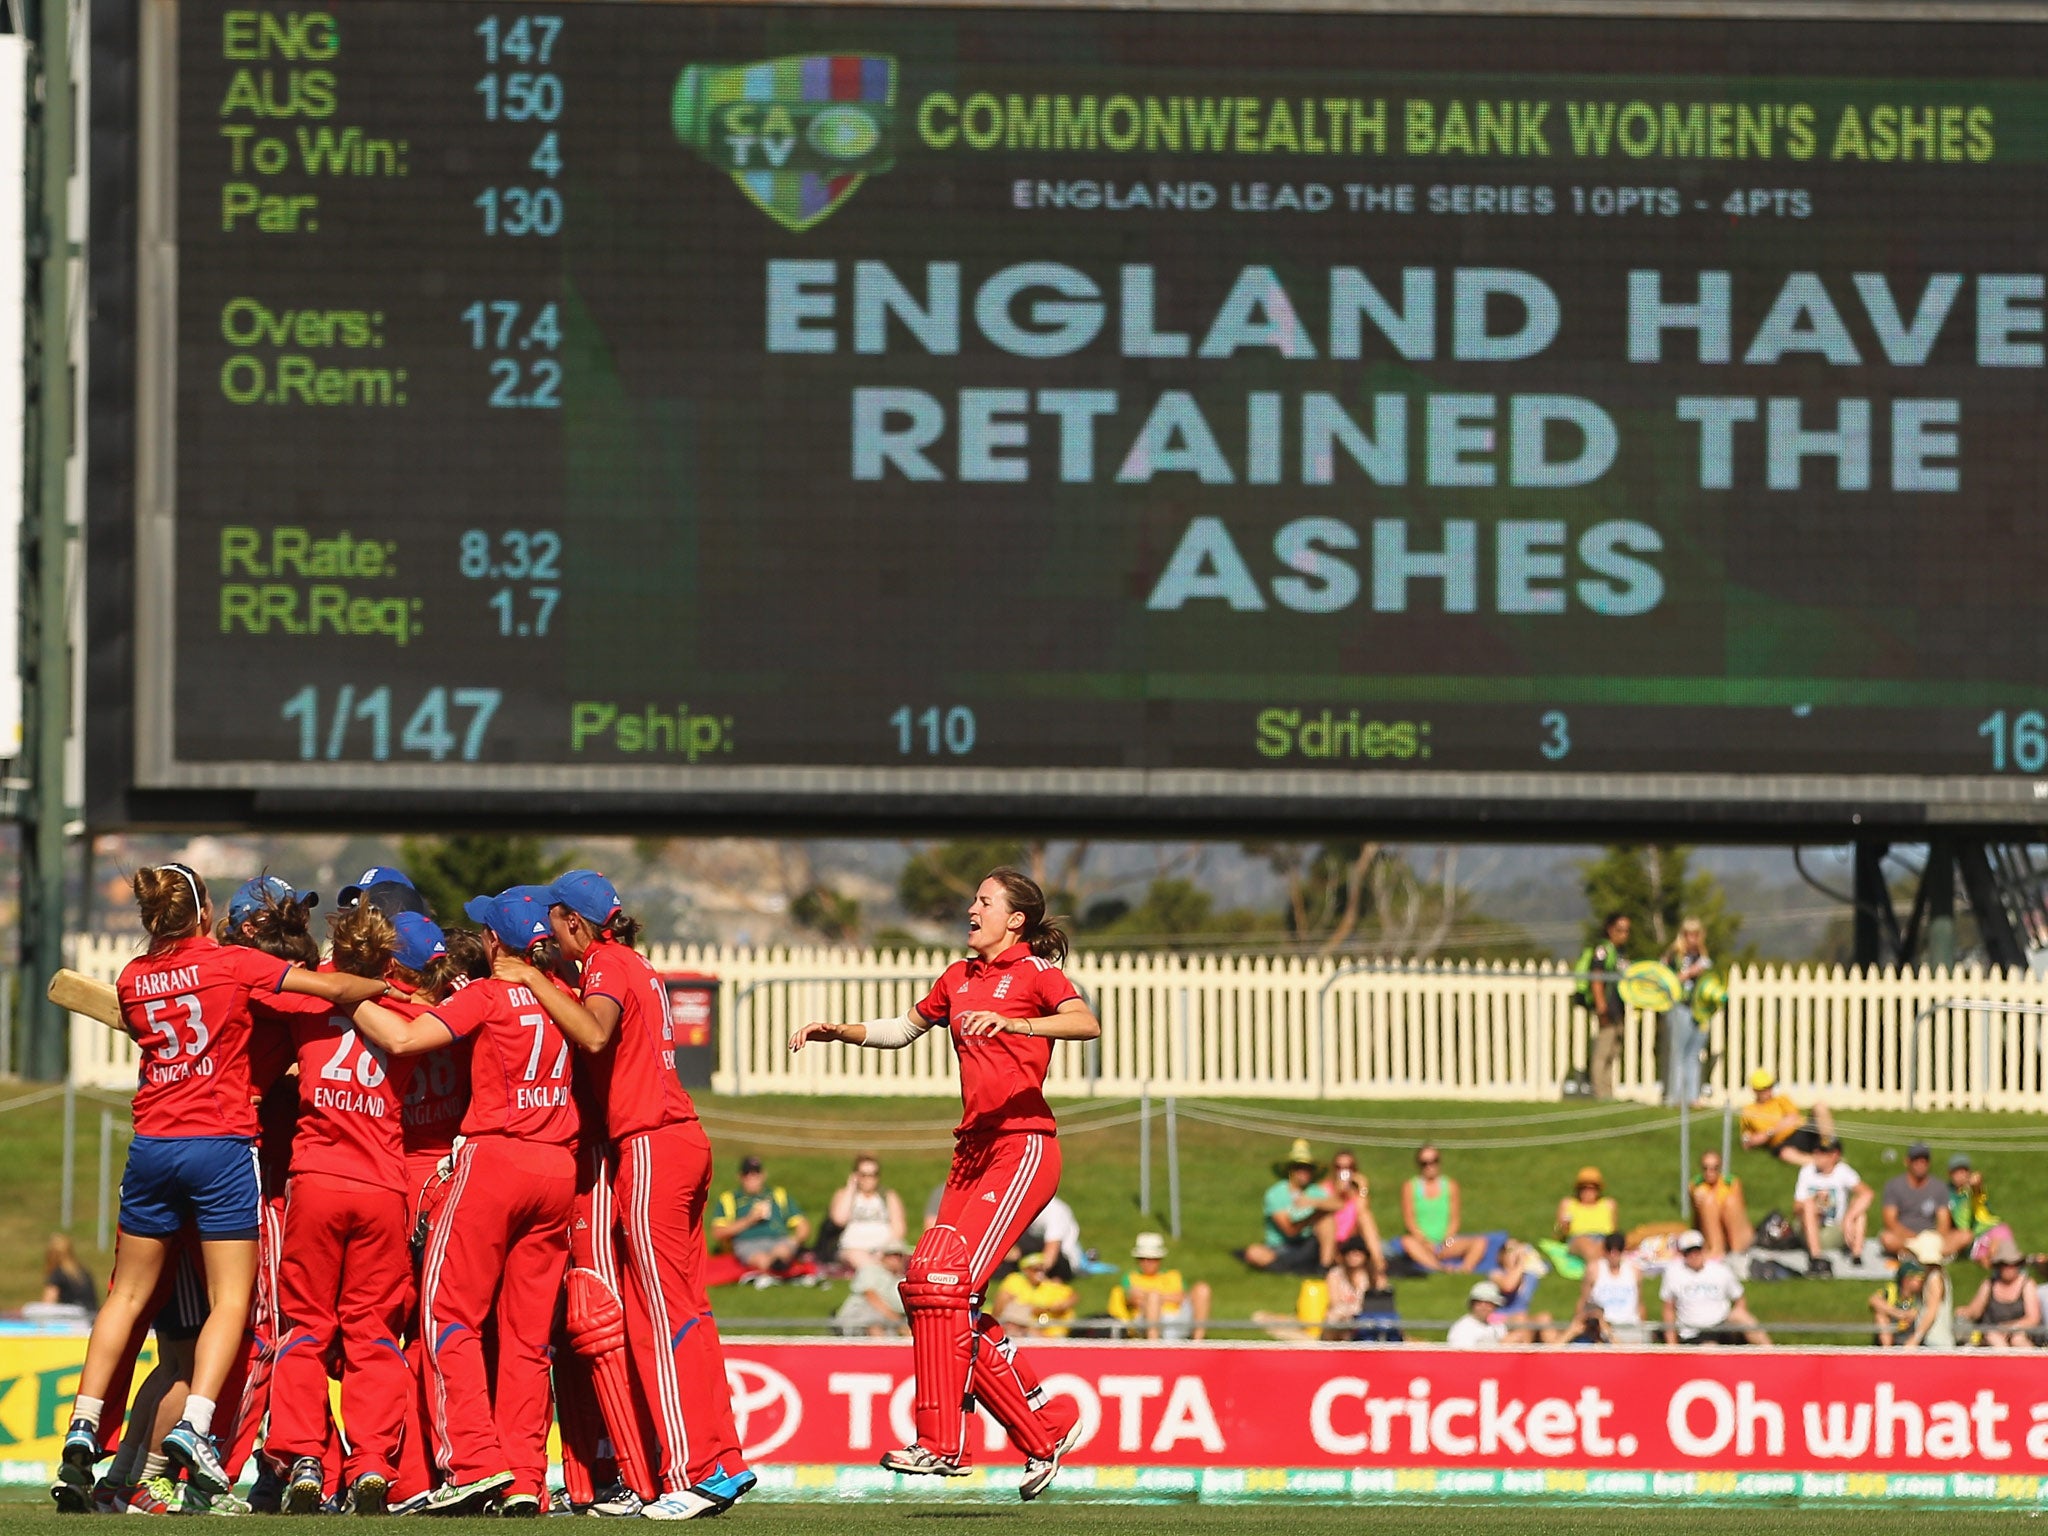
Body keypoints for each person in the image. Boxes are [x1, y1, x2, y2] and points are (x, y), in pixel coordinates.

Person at [52, 865, 387, 1514]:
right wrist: (395, 990)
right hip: (226, 1162)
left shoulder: (138, 975)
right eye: (281, 919)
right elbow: (322, 993)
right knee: (223, 1330)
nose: (295, 932)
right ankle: (168, 1469)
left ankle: (98, 1452)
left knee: (158, 1330)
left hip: (154, 1153)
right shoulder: (241, 971)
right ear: (216, 917)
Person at [788, 865, 1101, 1501]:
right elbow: (902, 1031)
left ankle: (939, 1445)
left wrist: (1020, 1026)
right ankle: (1043, 1429)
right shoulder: (957, 977)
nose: (971, 908)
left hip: (1022, 1146)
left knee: (944, 1282)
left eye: (983, 901)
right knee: (928, 1287)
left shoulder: (1036, 973)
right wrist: (837, 1031)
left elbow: (1085, 1023)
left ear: (1015, 919)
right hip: (972, 1155)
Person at [516, 869, 754, 1518]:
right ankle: (723, 1462)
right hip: (680, 1140)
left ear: (573, 922)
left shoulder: (606, 965)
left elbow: (594, 1033)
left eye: (555, 921)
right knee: (689, 1313)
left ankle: (694, 1473)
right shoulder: (632, 961)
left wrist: (534, 980)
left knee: (659, 1318)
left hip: (650, 1143)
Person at [347, 887, 581, 1515]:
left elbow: (402, 1042)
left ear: (495, 942)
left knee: (447, 1316)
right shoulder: (567, 997)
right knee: (529, 1338)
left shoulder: (487, 993)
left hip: (496, 1159)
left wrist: (342, 996)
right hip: (558, 1167)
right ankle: (528, 1477)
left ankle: (474, 1462)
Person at [256, 905, 445, 1515]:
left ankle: (305, 1455)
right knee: (372, 1331)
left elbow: (259, 994)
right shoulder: (411, 1017)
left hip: (315, 1180)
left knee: (306, 1328)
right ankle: (370, 1463)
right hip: (384, 1187)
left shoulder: (305, 1006)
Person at [1243, 1140, 1339, 1275]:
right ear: (1290, 1170)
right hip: (1281, 1248)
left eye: (1308, 1168)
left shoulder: (1314, 1191)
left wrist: (1313, 1202)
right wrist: (1313, 1216)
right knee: (1253, 1252)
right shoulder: (1276, 1193)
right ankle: (1294, 1269)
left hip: (1308, 1244)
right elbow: (1289, 1230)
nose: (1304, 1172)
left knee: (1327, 1220)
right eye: (1299, 1167)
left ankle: (1324, 1267)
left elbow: (1337, 1204)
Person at [1660, 1230, 1770, 1346]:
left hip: (1721, 1324)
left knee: (1742, 1317)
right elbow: (1668, 1310)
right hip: (1694, 1331)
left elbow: (1739, 1297)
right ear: (1683, 1254)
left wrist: (1738, 1311)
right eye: (1689, 1252)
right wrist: (1672, 1345)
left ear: (1703, 1249)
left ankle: (1771, 1354)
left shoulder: (1720, 1270)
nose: (1694, 1256)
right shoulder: (1674, 1274)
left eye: (1697, 1250)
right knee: (1710, 1347)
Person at [712, 1157, 811, 1276]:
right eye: (747, 1174)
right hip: (747, 1242)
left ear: (763, 1175)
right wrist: (749, 1219)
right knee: (760, 1259)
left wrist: (796, 1240)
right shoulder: (730, 1199)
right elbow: (718, 1233)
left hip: (778, 1239)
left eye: (756, 1174)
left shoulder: (778, 1195)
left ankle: (778, 1268)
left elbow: (802, 1224)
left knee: (783, 1249)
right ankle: (778, 1270)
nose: (752, 1178)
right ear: (740, 1177)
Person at [1399, 1144, 1488, 1273]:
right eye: (1425, 1163)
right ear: (1419, 1165)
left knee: (1480, 1242)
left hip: (1447, 1242)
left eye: (1434, 1161)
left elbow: (1455, 1219)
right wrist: (1425, 1242)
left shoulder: (1450, 1186)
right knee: (1407, 1242)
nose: (1430, 1166)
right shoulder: (1410, 1187)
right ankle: (1438, 1268)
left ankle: (1464, 1270)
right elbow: (1410, 1221)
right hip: (1422, 1243)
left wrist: (1446, 1240)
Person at [1794, 1138, 1873, 1275]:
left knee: (1860, 1212)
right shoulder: (1807, 1171)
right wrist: (1814, 1205)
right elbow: (1796, 1208)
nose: (1817, 1155)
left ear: (1834, 1155)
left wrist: (1849, 1217)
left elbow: (1867, 1194)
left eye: (1823, 1152)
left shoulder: (1843, 1171)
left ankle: (1856, 1256)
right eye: (1816, 1151)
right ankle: (1816, 1258)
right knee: (1808, 1205)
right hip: (1810, 1229)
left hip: (1835, 1229)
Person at [1115, 1233, 1210, 1342]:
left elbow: (1182, 1297)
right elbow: (1133, 1299)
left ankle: (1198, 1343)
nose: (1148, 1263)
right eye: (1143, 1259)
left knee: (1202, 1289)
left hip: (1178, 1317)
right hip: (1145, 1321)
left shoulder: (1173, 1275)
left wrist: (1152, 1296)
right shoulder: (1131, 1277)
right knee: (1153, 1297)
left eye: (1153, 1259)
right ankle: (1154, 1344)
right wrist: (1159, 1297)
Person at [1661, 917, 1713, 1107]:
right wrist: (1689, 973)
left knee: (1694, 1054)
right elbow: (1664, 979)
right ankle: (1675, 1098)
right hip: (1680, 1007)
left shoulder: (1703, 956)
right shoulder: (1674, 955)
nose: (1692, 938)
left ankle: (1692, 1097)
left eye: (1696, 934)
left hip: (1701, 1010)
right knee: (1678, 1053)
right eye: (1688, 934)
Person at [1738, 1070, 1836, 1167]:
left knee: (1820, 1106)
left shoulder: (1781, 1099)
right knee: (1786, 1154)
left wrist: (1767, 1134)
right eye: (1764, 1088)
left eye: (1770, 1086)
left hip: (1801, 1131)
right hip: (1781, 1143)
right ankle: (1826, 1163)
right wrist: (1753, 1140)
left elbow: (1792, 1119)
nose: (1768, 1090)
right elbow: (1746, 1140)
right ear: (1755, 1090)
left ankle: (1830, 1145)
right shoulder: (1749, 1110)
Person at [828, 1155, 907, 1271]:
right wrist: (851, 1188)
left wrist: (884, 1250)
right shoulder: (844, 1195)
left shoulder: (888, 1196)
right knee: (863, 1261)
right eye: (863, 1175)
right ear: (856, 1175)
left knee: (894, 1260)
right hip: (853, 1248)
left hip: (884, 1249)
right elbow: (839, 1220)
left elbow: (899, 1229)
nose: (868, 1179)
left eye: (872, 1175)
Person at [1958, 1237, 2040, 1348]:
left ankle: (2030, 1365)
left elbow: (2033, 1318)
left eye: (2013, 1264)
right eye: (2004, 1264)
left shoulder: (2027, 1284)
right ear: (1998, 1266)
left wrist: (2009, 1328)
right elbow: (1975, 1311)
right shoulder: (1989, 1284)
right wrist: (1964, 1312)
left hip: (2019, 1331)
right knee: (1995, 1339)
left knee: (2019, 1340)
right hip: (1992, 1334)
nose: (2009, 1268)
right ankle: (2003, 1364)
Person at [1585, 912, 1630, 1099]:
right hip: (1607, 1008)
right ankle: (1599, 1092)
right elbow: (1596, 977)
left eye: (1627, 931)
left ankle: (1607, 1093)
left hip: (1618, 1009)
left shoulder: (1619, 953)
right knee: (1602, 1052)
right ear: (1610, 929)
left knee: (1612, 1051)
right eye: (1620, 930)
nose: (1624, 934)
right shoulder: (1602, 951)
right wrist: (1601, 1005)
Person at [1880, 1142, 1952, 1257]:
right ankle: (1928, 1253)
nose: (1921, 1164)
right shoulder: (1893, 1185)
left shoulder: (1939, 1186)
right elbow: (1890, 1221)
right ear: (1907, 1161)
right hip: (1905, 1236)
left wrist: (1934, 1239)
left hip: (1930, 1236)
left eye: (1925, 1160)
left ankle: (1916, 1253)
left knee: (1965, 1236)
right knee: (1887, 1238)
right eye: (1916, 1160)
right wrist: (1915, 1238)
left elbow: (1944, 1221)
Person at [1327, 1149, 1385, 1287]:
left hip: (1353, 1237)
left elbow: (1362, 1210)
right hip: (1333, 1240)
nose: (1343, 1172)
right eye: (1339, 1167)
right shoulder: (1326, 1189)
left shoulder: (1357, 1194)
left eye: (1348, 1168)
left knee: (1365, 1217)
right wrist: (1338, 1193)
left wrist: (1362, 1188)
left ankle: (1378, 1262)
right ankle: (1378, 1264)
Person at [1945, 1155, 2014, 1263]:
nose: (1961, 1175)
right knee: (1986, 1262)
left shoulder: (1971, 1190)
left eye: (1964, 1171)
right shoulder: (1947, 1193)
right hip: (1972, 1239)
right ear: (1950, 1174)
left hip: (1990, 1229)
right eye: (1957, 1172)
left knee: (1998, 1255)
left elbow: (1977, 1183)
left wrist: (1976, 1181)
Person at [835, 1241, 910, 1338]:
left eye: (898, 1256)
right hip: (859, 1314)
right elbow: (870, 1296)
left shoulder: (901, 1279)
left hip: (889, 1317)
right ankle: (879, 1350)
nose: (894, 1259)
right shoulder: (870, 1270)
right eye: (891, 1255)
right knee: (874, 1322)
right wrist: (896, 1320)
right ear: (883, 1256)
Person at [1580, 1231, 1644, 1344]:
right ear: (1604, 1251)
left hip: (1629, 1325)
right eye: (1610, 1250)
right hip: (1603, 1326)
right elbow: (1584, 1300)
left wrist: (1641, 1327)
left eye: (1618, 1250)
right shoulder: (1594, 1270)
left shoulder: (1634, 1271)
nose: (1613, 1255)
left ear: (1623, 1250)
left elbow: (1640, 1304)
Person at [993, 1251, 1077, 1338]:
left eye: (1042, 1269)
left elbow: (1073, 1296)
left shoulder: (1049, 1285)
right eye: (1035, 1269)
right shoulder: (1015, 1280)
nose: (1040, 1273)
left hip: (1047, 1330)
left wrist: (1061, 1306)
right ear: (1025, 1270)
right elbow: (1002, 1299)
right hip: (1020, 1325)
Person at [1899, 1231, 1955, 1349]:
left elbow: (1932, 1310)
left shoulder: (1934, 1278)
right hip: (1934, 1341)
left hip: (1936, 1342)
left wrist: (1915, 1338)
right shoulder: (1934, 1275)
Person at [1690, 1152, 1754, 1255]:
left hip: (1731, 1228)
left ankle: (1737, 1248)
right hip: (1709, 1232)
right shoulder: (1697, 1185)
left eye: (1714, 1168)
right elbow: (1695, 1216)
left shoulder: (1730, 1184)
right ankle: (1716, 1248)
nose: (1709, 1172)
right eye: (1705, 1168)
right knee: (1708, 1201)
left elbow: (1739, 1212)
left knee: (1730, 1202)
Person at [1555, 1166, 1618, 1263]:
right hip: (1579, 1238)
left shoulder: (1608, 1204)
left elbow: (1614, 1230)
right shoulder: (1569, 1203)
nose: (1588, 1192)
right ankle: (1597, 1267)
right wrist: (1564, 1226)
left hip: (1603, 1237)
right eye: (1584, 1188)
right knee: (1585, 1244)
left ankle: (1598, 1266)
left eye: (1592, 1188)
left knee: (1604, 1245)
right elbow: (1559, 1233)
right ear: (1578, 1189)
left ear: (1598, 1189)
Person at [1321, 1241, 1382, 1341]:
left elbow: (1382, 1298)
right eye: (1349, 1253)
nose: (1353, 1256)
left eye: (1358, 1253)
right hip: (1343, 1312)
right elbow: (1334, 1301)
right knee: (1334, 1318)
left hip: (1367, 1314)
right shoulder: (1335, 1275)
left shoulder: (1373, 1276)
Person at [1021, 1194, 1085, 1281]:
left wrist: (1034, 1272)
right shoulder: (1025, 1207)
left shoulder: (1055, 1211)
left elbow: (1051, 1254)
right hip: (1038, 1250)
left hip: (1064, 1258)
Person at [1870, 1257, 1927, 1347]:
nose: (1922, 1281)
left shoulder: (1920, 1294)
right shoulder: (1892, 1290)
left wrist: (1914, 1314)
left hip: (1911, 1333)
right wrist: (1899, 1313)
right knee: (1880, 1316)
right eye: (1919, 1278)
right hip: (1893, 1330)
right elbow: (1874, 1300)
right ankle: (1887, 1352)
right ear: (1907, 1279)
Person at [42, 1234, 97, 1314]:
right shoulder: (83, 1272)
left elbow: (47, 1305)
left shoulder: (57, 1274)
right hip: (90, 1317)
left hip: (72, 1320)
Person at [1446, 1280, 1510, 1349]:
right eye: (1479, 1303)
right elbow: (1462, 1357)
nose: (1484, 1307)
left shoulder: (1497, 1325)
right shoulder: (1463, 1328)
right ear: (1472, 1304)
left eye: (1489, 1303)